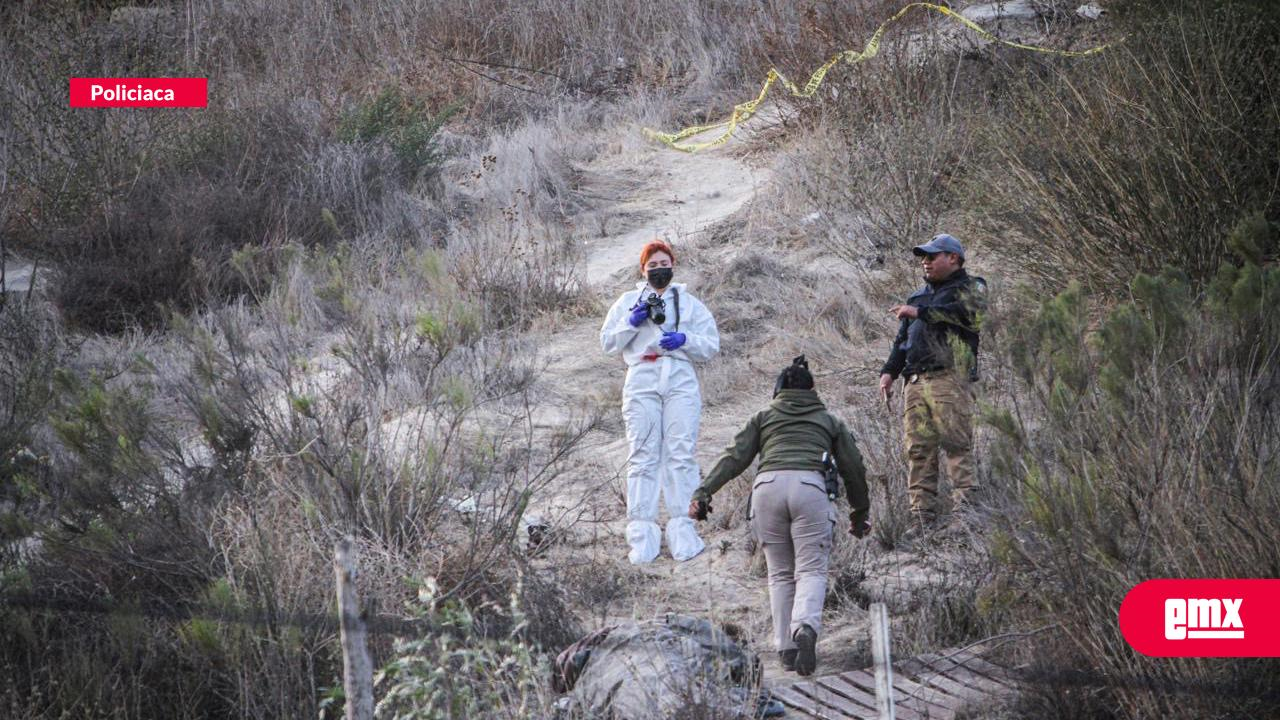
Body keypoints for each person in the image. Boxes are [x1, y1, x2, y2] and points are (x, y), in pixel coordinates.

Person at [688, 356, 870, 676]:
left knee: (780, 574)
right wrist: (859, 512)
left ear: (779, 389)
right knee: (811, 569)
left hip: (767, 489)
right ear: (813, 390)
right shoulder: (829, 421)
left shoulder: (764, 416)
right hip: (810, 489)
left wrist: (703, 493)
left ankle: (786, 647)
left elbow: (734, 458)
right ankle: (805, 629)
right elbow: (853, 468)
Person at [600, 240, 720, 564]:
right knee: (642, 453)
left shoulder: (689, 304)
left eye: (663, 263)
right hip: (642, 375)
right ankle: (642, 535)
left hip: (679, 375)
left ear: (673, 264)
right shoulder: (628, 301)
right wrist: (631, 322)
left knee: (680, 452)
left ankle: (685, 531)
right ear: (643, 269)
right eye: (652, 265)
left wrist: (685, 339)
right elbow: (607, 342)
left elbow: (711, 344)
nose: (658, 269)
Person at [878, 233, 986, 532]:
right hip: (914, 381)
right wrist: (888, 372)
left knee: (956, 444)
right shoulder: (917, 297)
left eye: (932, 256)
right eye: (923, 257)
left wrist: (921, 312)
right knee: (918, 450)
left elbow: (970, 317)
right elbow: (902, 342)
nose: (925, 262)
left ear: (953, 258)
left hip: (949, 377)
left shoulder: (972, 287)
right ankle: (921, 519)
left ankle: (965, 516)